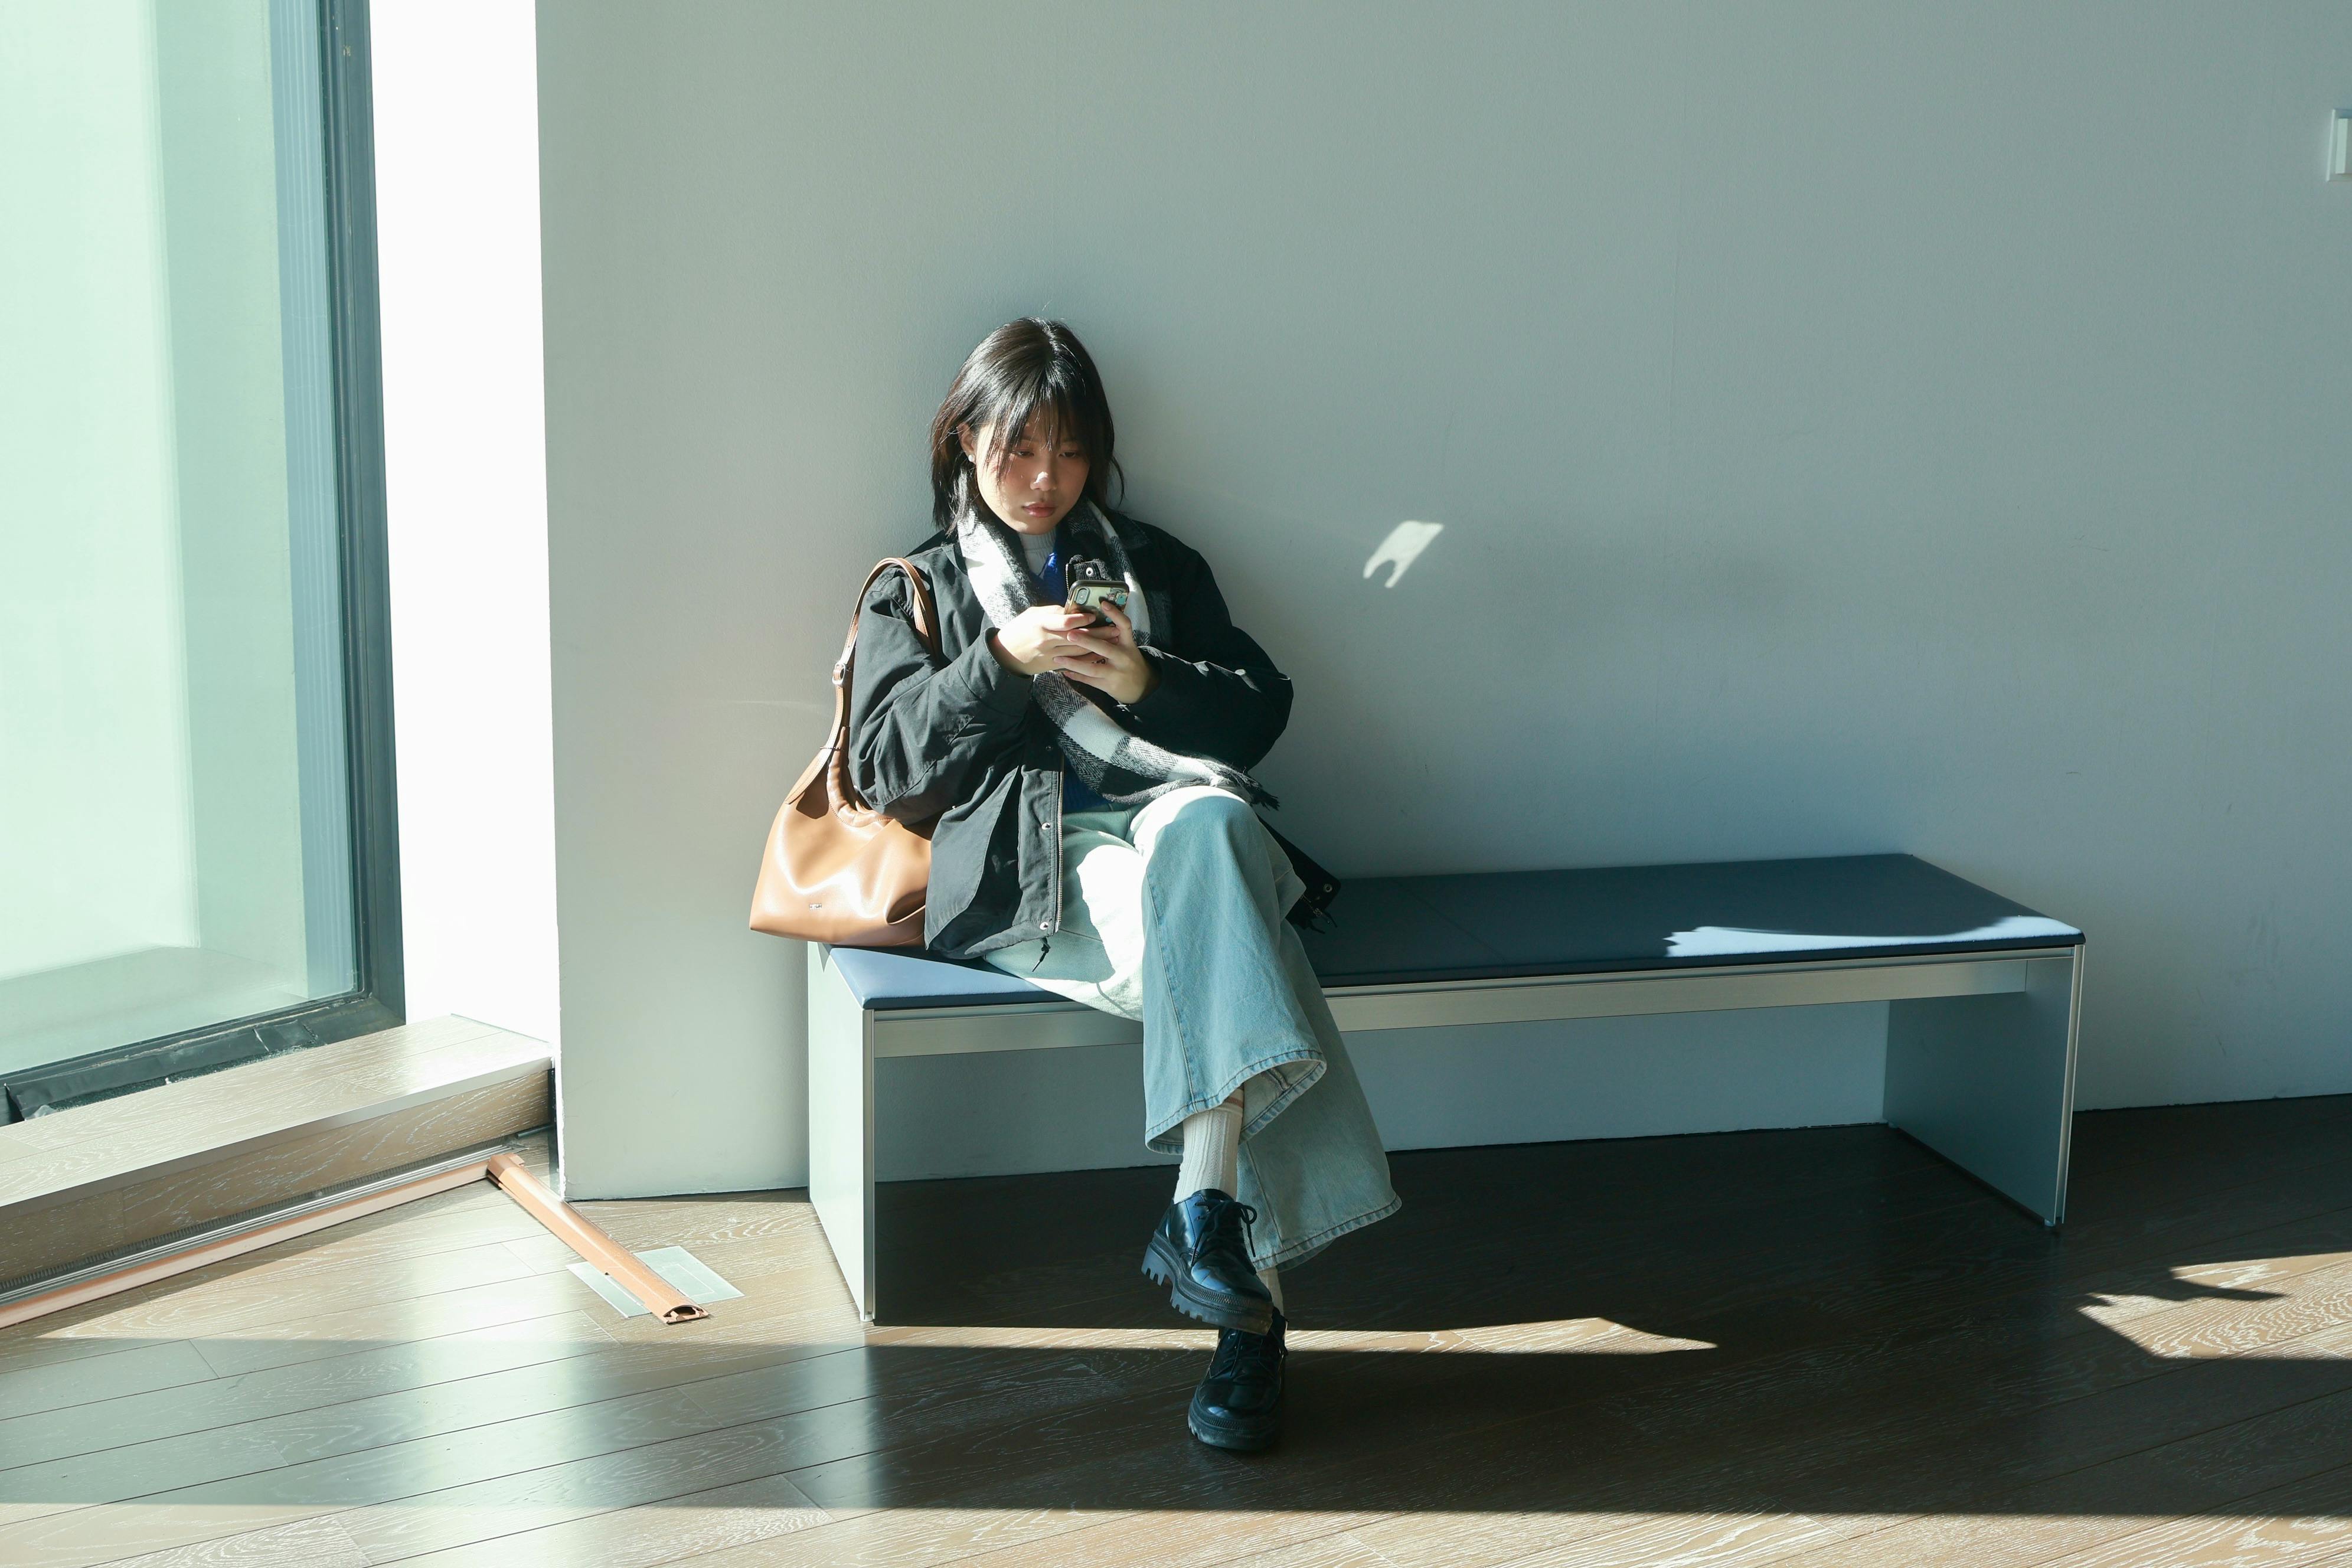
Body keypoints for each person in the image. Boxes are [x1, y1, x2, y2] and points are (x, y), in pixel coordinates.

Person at [844, 316, 1398, 1452]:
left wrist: (1146, 679)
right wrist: (1001, 662)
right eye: (1018, 450)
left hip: (1179, 837)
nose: (1044, 480)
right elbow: (885, 771)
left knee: (1212, 820)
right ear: (965, 442)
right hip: (1033, 875)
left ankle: (1205, 1210)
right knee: (1241, 953)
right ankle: (1250, 1321)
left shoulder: (1158, 566)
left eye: (1069, 452)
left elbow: (1261, 712)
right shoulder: (920, 587)